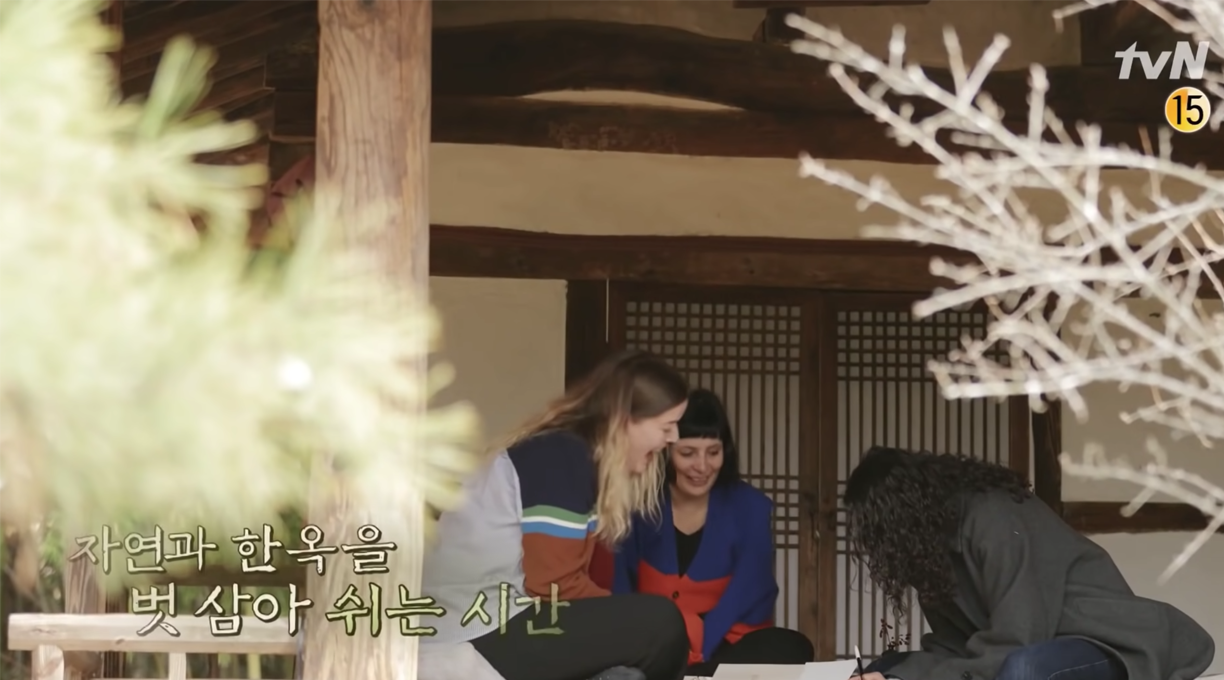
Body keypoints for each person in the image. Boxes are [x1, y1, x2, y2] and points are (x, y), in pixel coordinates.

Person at [420, 350, 693, 680]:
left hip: (497, 622)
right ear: (625, 419)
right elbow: (551, 585)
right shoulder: (560, 456)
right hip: (477, 628)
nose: (674, 438)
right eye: (667, 426)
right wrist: (618, 616)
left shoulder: (569, 455)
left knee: (624, 672)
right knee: (661, 623)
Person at [844, 446, 1215, 680]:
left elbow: (1019, 636)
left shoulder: (993, 516)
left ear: (902, 514)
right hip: (1022, 645)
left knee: (1023, 672)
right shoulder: (930, 552)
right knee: (884, 670)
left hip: (1102, 642)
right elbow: (957, 646)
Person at [613, 388, 814, 675]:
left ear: (725, 452)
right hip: (653, 642)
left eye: (713, 452)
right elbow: (620, 590)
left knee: (791, 646)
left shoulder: (751, 507)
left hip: (726, 645)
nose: (702, 466)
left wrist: (698, 646)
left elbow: (750, 592)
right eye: (688, 453)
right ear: (665, 451)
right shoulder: (639, 505)